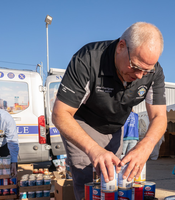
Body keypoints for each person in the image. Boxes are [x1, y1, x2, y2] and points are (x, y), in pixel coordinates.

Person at [52, 22, 167, 199]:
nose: (139, 76)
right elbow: (60, 114)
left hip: (115, 128)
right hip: (83, 124)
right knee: (88, 181)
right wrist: (93, 149)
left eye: (146, 71)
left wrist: (146, 145)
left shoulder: (154, 72)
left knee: (117, 182)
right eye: (135, 67)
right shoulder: (88, 59)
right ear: (121, 46)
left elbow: (159, 116)